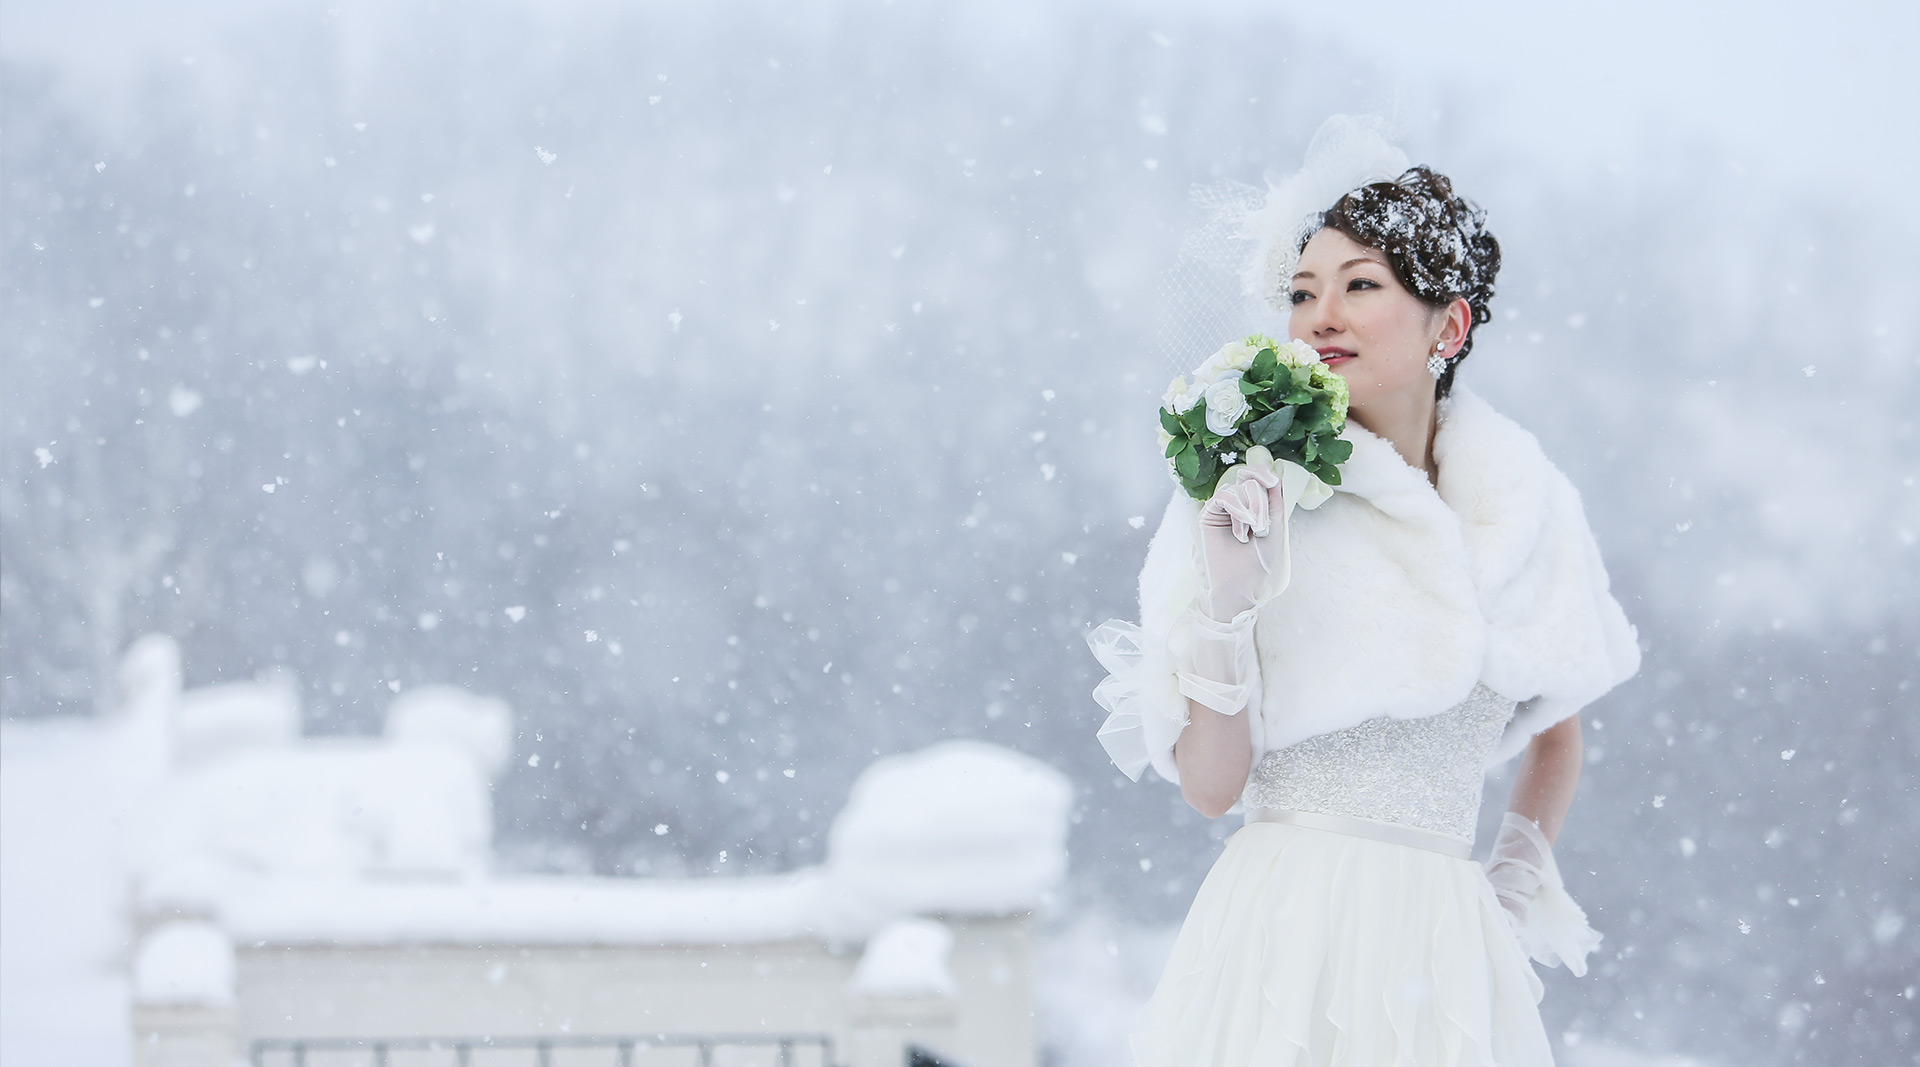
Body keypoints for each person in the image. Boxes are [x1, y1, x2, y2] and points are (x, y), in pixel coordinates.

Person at [1087, 119, 1640, 1065]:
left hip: (1448, 949)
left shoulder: (1525, 500)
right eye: (1303, 293)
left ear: (1449, 324)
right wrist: (1228, 600)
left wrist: (1508, 889)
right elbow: (1210, 787)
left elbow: (1561, 717)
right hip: (1283, 932)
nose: (1320, 317)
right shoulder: (1253, 493)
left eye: (1360, 287)